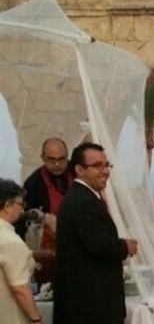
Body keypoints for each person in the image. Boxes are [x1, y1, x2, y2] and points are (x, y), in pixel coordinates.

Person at [53, 142, 138, 324]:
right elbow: (98, 245)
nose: (105, 171)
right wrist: (125, 246)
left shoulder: (86, 197)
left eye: (106, 165)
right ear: (79, 169)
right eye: (97, 165)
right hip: (90, 307)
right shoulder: (81, 201)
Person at [0, 178, 42, 324]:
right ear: (7, 205)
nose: (22, 210)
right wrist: (36, 319)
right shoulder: (10, 240)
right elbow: (20, 288)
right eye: (20, 204)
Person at [16, 137, 74, 245]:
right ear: (43, 158)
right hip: (52, 246)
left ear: (67, 156)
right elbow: (22, 220)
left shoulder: (78, 173)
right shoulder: (33, 183)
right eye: (51, 160)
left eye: (61, 159)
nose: (57, 164)